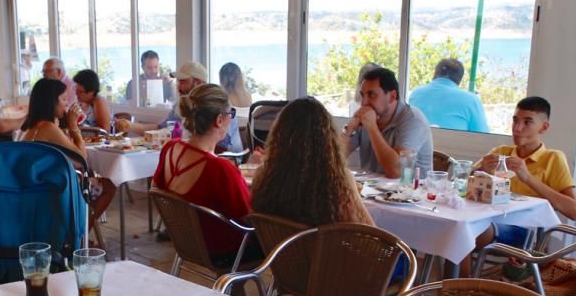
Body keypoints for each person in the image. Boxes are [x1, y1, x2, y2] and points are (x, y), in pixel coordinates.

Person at [463, 96, 576, 276]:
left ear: (544, 127)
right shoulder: (501, 152)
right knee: (456, 229)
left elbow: (574, 211)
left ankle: (458, 293)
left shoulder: (553, 159)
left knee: (464, 233)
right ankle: (456, 292)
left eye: (527, 122)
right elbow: (460, 184)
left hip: (525, 232)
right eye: (515, 120)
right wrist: (479, 170)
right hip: (486, 219)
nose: (517, 128)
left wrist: (528, 178)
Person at [153, 84, 256, 265]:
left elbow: (158, 187)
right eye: (230, 115)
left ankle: (232, 291)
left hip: (188, 245)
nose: (231, 120)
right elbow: (248, 214)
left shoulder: (170, 148)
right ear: (219, 120)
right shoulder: (218, 168)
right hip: (225, 251)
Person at [252, 98, 372, 227]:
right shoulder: (338, 181)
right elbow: (369, 230)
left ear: (279, 136)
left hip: (278, 246)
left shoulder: (264, 176)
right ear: (328, 141)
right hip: (324, 247)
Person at [117, 62, 243, 154]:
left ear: (197, 82)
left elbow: (222, 145)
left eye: (183, 81)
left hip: (226, 159)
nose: (178, 87)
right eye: (178, 82)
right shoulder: (182, 105)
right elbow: (161, 128)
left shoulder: (217, 104)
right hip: (197, 157)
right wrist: (131, 125)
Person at [345, 66, 433, 179]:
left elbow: (396, 171)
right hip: (372, 191)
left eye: (371, 95)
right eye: (363, 95)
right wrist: (349, 128)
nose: (364, 103)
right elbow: (333, 157)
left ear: (392, 96)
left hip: (410, 193)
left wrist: (372, 128)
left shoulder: (413, 120)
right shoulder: (367, 115)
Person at [408, 58, 490, 133]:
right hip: (451, 148)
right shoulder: (471, 100)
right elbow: (483, 136)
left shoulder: (416, 93)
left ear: (435, 74)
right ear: (459, 80)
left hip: (417, 148)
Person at [21, 78, 87, 161]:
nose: (67, 103)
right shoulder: (48, 127)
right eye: (63, 99)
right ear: (51, 101)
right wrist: (73, 125)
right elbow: (82, 157)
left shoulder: (34, 125)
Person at [73, 69, 112, 133]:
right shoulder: (81, 102)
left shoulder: (99, 101)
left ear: (92, 91)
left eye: (80, 92)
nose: (76, 94)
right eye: (75, 90)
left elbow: (105, 130)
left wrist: (80, 127)